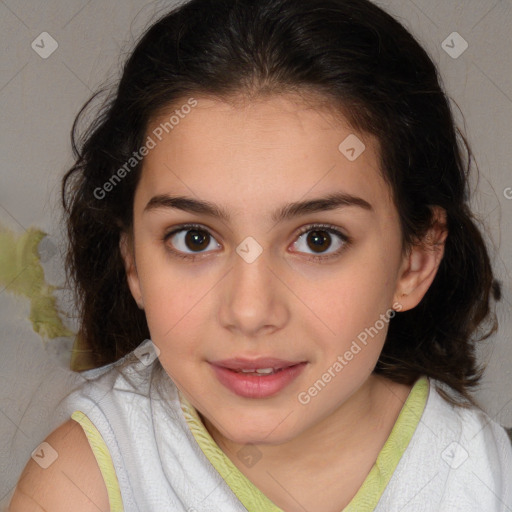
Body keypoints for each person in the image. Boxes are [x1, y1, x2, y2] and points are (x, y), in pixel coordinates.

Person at [9, 0, 512, 510]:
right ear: (134, 261)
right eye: (195, 238)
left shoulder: (487, 478)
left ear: (414, 262)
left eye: (318, 239)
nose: (249, 312)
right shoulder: (81, 484)